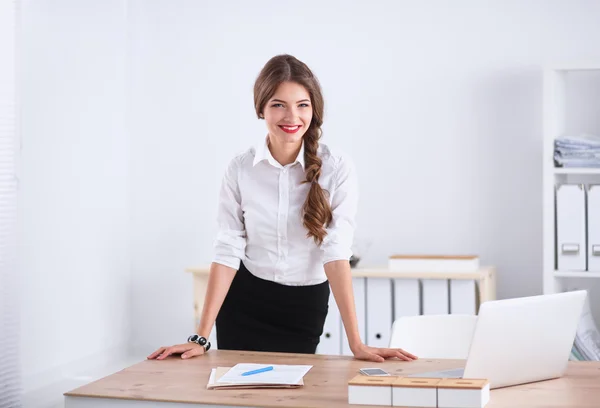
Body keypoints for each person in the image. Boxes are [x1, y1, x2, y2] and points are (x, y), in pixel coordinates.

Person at [148, 54, 417, 363]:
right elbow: (227, 247)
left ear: (314, 109)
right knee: (235, 391)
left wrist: (356, 343)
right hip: (244, 299)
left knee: (289, 392)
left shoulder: (336, 167)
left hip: (304, 304)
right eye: (278, 104)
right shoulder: (241, 168)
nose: (292, 116)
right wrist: (201, 337)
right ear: (260, 108)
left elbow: (336, 250)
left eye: (302, 105)